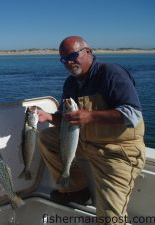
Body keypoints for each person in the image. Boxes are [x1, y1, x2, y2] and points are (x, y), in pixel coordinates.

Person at [38, 36, 145, 224]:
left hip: (117, 152)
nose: (69, 62)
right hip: (86, 144)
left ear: (87, 51)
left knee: (110, 217)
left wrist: (90, 116)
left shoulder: (111, 73)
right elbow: (67, 120)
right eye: (64, 59)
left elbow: (132, 114)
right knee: (47, 137)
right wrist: (48, 117)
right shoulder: (70, 84)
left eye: (72, 55)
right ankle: (76, 189)